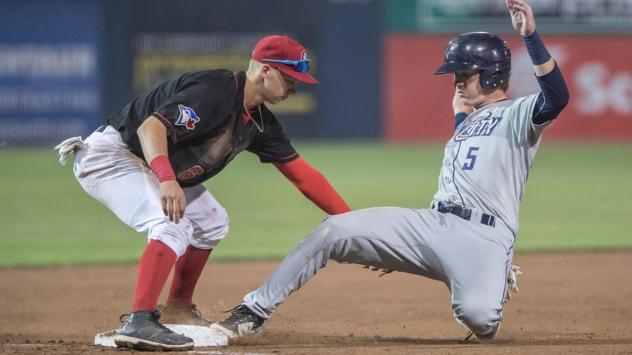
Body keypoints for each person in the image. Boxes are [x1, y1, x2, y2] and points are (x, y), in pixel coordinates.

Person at [212, 0, 569, 342]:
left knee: (479, 319)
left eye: (465, 73)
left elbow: (556, 97)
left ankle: (495, 276)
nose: (457, 81)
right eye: (455, 74)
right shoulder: (467, 121)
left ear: (492, 75)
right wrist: (461, 114)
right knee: (333, 231)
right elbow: (468, 124)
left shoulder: (520, 115)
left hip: (483, 239)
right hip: (433, 224)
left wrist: (530, 36)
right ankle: (252, 311)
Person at [55, 35, 351, 351]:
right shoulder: (215, 91)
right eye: (290, 78)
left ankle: (178, 307)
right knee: (171, 224)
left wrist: (356, 224)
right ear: (265, 71)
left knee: (212, 221)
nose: (294, 88)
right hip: (114, 156)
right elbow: (150, 129)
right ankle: (139, 320)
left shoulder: (260, 121)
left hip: (148, 163)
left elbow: (304, 177)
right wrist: (167, 180)